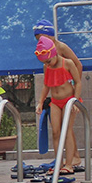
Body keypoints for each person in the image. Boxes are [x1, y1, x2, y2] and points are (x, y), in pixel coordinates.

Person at [33, 19, 83, 170]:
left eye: (42, 37)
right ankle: (60, 162)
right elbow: (46, 84)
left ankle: (71, 162)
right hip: (55, 101)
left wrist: (75, 96)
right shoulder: (47, 64)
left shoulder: (63, 53)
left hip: (69, 99)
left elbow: (78, 71)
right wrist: (40, 101)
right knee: (56, 132)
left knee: (67, 130)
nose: (47, 64)